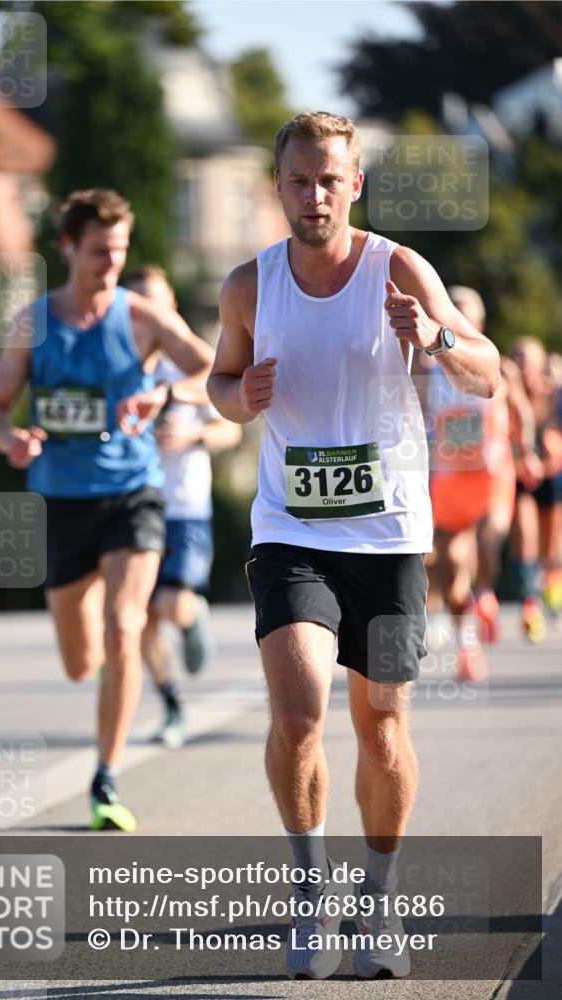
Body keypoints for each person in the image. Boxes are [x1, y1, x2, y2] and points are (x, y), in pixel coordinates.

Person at [207, 112, 501, 980]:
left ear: (354, 184)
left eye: (329, 180)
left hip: (389, 535)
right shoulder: (249, 286)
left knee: (381, 727)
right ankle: (310, 893)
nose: (314, 196)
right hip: (290, 529)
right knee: (298, 710)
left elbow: (485, 373)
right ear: (277, 186)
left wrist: (435, 338)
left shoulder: (396, 268)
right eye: (298, 180)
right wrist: (240, 396)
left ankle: (376, 899)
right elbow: (218, 382)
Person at [0, 189, 212, 831]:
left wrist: (165, 392)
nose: (112, 263)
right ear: (67, 249)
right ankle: (116, 666)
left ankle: (105, 778)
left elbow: (216, 370)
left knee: (123, 628)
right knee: (82, 661)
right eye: (99, 252)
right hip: (61, 501)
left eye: (119, 250)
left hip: (133, 494)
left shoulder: (143, 318)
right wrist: (10, 440)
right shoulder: (34, 324)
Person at [123, 265, 241, 748]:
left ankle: (193, 616)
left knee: (171, 604)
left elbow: (230, 429)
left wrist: (191, 435)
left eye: (155, 302)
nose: (147, 313)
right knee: (140, 618)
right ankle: (172, 705)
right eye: (136, 305)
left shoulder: (191, 368)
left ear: (170, 304)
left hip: (186, 507)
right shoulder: (121, 368)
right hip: (132, 506)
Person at [425, 287, 537, 679]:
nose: (457, 319)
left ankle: (486, 594)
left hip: (493, 477)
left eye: (465, 313)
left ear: (480, 321)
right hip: (450, 481)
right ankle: (467, 647)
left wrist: (527, 451)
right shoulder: (427, 369)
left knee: (489, 548)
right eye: (451, 312)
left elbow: (521, 411)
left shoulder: (499, 367)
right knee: (453, 566)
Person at [511, 337, 562, 640]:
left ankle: (552, 587)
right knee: (525, 540)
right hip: (521, 479)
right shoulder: (507, 395)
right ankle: (530, 605)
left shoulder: (555, 395)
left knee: (551, 548)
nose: (523, 366)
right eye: (518, 358)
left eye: (528, 360)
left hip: (553, 479)